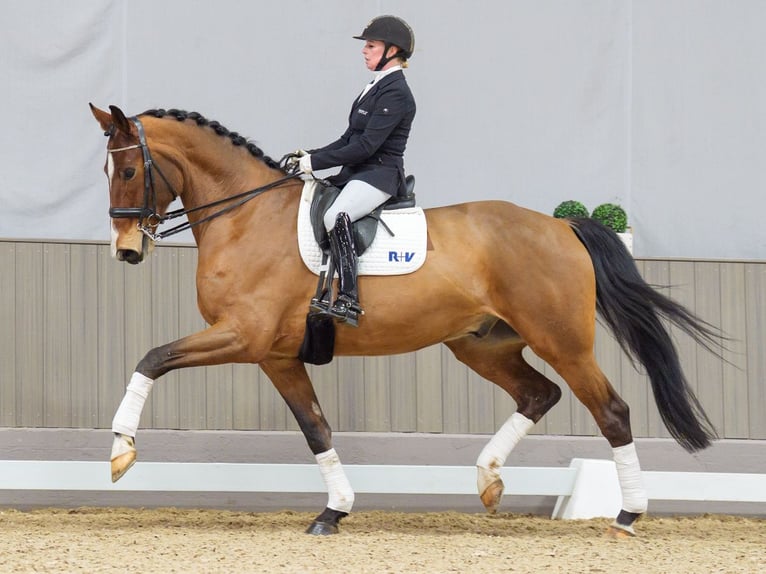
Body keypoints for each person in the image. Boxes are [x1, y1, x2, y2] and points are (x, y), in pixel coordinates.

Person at [292, 15, 416, 325]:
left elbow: (366, 147)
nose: (364, 51)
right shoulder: (374, 88)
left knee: (336, 216)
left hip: (379, 175)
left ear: (392, 50)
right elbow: (348, 139)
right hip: (357, 172)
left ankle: (349, 298)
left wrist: (316, 163)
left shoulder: (396, 92)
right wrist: (310, 155)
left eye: (371, 46)